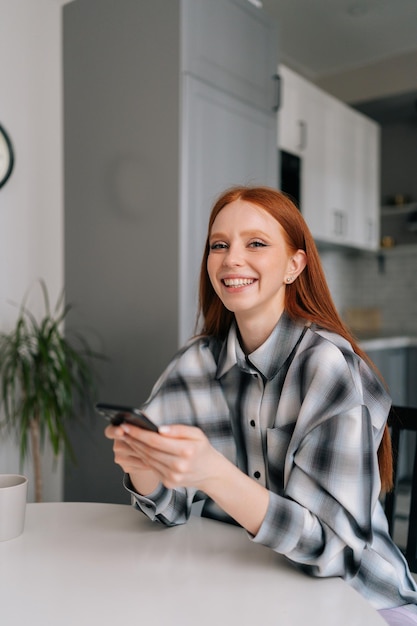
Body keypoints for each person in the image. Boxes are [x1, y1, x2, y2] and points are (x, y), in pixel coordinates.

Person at [106, 186, 417, 624]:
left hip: (366, 602)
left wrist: (213, 474)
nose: (232, 258)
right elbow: (169, 510)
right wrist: (144, 464)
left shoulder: (326, 366)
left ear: (295, 264)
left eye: (255, 243)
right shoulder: (198, 361)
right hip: (254, 594)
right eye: (219, 245)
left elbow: (336, 551)